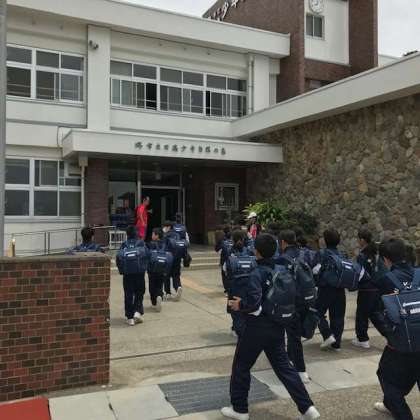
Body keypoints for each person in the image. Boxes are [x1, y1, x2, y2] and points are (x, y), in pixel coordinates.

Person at [221, 233, 320, 420]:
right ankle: (308, 408)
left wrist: (239, 305)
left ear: (256, 251)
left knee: (241, 366)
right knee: (285, 369)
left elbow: (254, 304)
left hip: (256, 328)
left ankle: (239, 409)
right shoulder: (282, 269)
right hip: (277, 326)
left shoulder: (257, 273)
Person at [373, 238, 420, 420]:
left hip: (400, 345)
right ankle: (390, 404)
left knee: (386, 377)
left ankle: (401, 413)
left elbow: (374, 311)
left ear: (386, 259)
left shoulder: (385, 280)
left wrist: (389, 334)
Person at [278, 230, 311, 384]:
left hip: (292, 302)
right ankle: (290, 359)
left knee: (294, 336)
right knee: (294, 334)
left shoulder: (282, 259)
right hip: (307, 299)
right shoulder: (305, 254)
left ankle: (301, 370)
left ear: (283, 242)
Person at [352, 228, 385, 349]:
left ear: (362, 240)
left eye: (358, 239)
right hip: (377, 288)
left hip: (365, 289)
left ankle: (362, 339)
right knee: (376, 314)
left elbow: (359, 272)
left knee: (361, 314)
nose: (357, 241)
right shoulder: (376, 253)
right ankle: (391, 336)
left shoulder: (362, 255)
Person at [314, 228, 346, 350]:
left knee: (317, 312)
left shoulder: (321, 253)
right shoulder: (343, 254)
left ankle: (327, 334)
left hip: (325, 288)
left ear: (325, 240)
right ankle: (336, 343)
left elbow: (315, 270)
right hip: (340, 288)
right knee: (338, 316)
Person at [225, 229, 254, 338]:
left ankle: (238, 331)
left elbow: (226, 270)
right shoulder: (249, 251)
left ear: (233, 240)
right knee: (245, 308)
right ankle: (241, 329)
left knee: (235, 311)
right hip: (249, 286)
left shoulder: (229, 252)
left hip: (235, 287)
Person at [117, 225, 147, 326]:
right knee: (139, 292)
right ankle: (137, 312)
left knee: (128, 294)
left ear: (127, 234)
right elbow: (146, 255)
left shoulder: (124, 244)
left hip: (127, 274)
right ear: (136, 233)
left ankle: (130, 318)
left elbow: (119, 258)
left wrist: (122, 271)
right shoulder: (141, 243)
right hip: (139, 273)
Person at [163, 220, 183, 301]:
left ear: (169, 227)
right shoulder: (177, 235)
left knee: (166, 275)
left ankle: (168, 293)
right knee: (176, 275)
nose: (164, 228)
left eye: (165, 226)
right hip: (177, 258)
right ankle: (178, 287)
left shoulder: (166, 235)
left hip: (168, 258)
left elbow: (163, 247)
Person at [147, 228, 166, 312]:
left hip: (152, 269)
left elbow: (147, 255)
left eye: (153, 234)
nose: (152, 235)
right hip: (162, 268)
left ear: (157, 235)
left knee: (152, 286)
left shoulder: (150, 244)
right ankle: (159, 296)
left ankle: (154, 303)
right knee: (160, 285)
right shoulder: (164, 244)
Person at [215, 225, 233, 294]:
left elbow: (217, 249)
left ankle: (227, 289)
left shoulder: (222, 241)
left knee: (225, 275)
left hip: (225, 261)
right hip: (233, 260)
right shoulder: (232, 240)